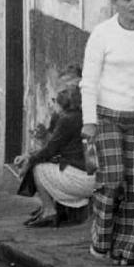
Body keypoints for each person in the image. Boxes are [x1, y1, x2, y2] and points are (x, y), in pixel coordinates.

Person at [80, 0, 134, 266]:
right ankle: (101, 238)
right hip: (108, 116)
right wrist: (89, 121)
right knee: (112, 179)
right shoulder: (102, 34)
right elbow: (89, 80)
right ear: (115, 3)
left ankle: (125, 250)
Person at [15, 74, 94, 228]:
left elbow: (50, 150)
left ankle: (49, 211)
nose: (56, 97)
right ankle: (47, 209)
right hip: (94, 175)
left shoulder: (68, 119)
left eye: (60, 93)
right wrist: (29, 156)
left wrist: (29, 160)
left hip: (84, 179)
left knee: (39, 169)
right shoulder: (84, 115)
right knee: (45, 165)